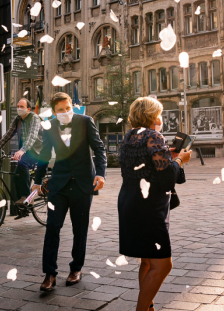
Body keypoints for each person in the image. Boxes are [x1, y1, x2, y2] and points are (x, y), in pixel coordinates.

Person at [117, 97, 192, 311]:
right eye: (158, 113)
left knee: (147, 261)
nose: (160, 118)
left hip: (129, 202)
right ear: (151, 116)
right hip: (148, 208)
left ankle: (148, 307)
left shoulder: (130, 136)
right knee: (163, 264)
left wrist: (170, 157)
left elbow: (150, 167)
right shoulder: (153, 136)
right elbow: (168, 177)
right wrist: (179, 160)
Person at [32, 92, 107, 292]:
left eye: (68, 108)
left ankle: (76, 269)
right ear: (54, 112)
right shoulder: (50, 127)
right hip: (59, 185)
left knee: (79, 229)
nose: (65, 112)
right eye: (60, 110)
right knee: (52, 227)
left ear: (71, 106)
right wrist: (37, 181)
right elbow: (44, 155)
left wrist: (100, 174)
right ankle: (49, 274)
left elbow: (99, 149)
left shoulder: (85, 121)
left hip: (83, 185)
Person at [0, 98, 43, 208]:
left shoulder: (34, 118)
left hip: (37, 151)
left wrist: (21, 150)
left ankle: (27, 197)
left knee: (22, 163)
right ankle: (23, 205)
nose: (19, 108)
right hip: (25, 152)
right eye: (18, 106)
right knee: (15, 177)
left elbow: (32, 136)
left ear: (28, 109)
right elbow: (7, 135)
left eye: (22, 107)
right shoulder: (17, 120)